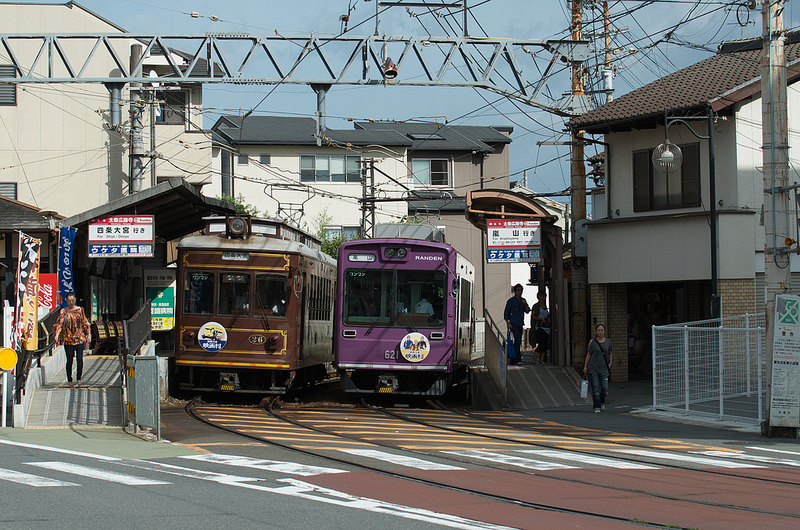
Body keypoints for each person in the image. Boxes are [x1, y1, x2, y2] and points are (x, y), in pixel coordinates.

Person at [53, 292, 91, 388]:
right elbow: (59, 324)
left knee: (79, 359)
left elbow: (85, 323)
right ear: (66, 300)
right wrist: (57, 334)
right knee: (69, 359)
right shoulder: (63, 311)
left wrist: (88, 335)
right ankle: (69, 380)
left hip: (79, 337)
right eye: (69, 301)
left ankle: (79, 379)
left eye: (72, 300)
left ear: (75, 300)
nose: (71, 302)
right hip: (68, 338)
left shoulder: (80, 310)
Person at [583, 323, 613, 413]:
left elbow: (610, 352)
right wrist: (585, 366)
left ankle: (602, 401)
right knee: (595, 389)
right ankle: (596, 406)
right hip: (593, 368)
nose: (600, 332)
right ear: (596, 331)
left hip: (604, 369)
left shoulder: (608, 342)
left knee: (605, 389)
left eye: (602, 330)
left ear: (604, 332)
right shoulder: (592, 342)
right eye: (599, 330)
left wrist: (610, 362)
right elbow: (589, 354)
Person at [504, 284, 530, 365]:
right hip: (513, 323)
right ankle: (517, 359)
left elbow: (527, 311)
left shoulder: (522, 301)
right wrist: (508, 323)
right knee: (518, 339)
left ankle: (513, 358)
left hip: (520, 323)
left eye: (521, 290)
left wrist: (525, 304)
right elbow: (506, 313)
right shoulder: (511, 301)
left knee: (518, 341)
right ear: (515, 291)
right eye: (518, 290)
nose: (520, 292)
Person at [530, 291, 550, 365]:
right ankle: (534, 360)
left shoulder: (546, 306)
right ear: (538, 297)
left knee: (545, 344)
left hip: (546, 328)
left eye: (543, 296)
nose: (542, 298)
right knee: (541, 343)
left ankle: (541, 360)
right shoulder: (536, 306)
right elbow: (533, 316)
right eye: (541, 296)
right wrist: (540, 319)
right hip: (539, 327)